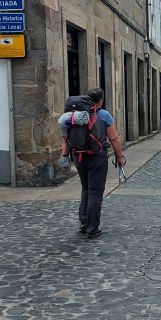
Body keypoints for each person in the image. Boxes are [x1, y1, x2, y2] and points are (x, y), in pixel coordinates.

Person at [59, 88, 126, 239]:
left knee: (85, 188)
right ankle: (92, 228)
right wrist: (120, 157)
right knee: (95, 191)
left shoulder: (73, 116)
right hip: (97, 156)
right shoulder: (103, 115)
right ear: (100, 100)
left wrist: (66, 155)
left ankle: (84, 223)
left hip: (78, 156)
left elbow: (66, 138)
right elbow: (114, 139)